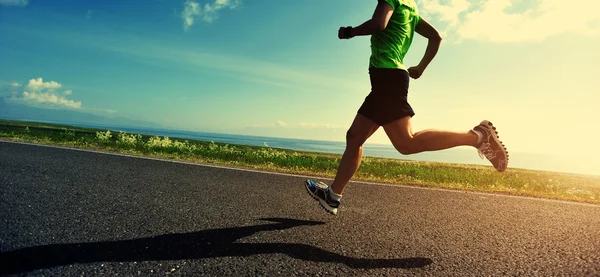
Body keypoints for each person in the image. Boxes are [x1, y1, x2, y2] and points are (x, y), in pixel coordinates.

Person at [305, 0, 508, 215]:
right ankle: (333, 196)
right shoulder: (410, 6)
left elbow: (379, 24)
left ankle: (477, 137)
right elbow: (435, 37)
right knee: (355, 137)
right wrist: (420, 67)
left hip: (387, 77)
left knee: (406, 143)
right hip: (388, 78)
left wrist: (349, 32)